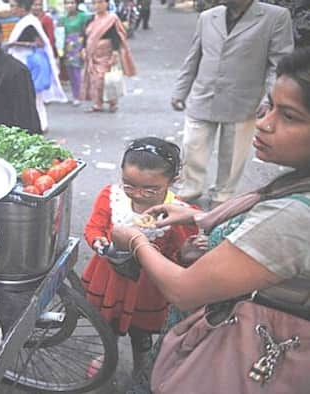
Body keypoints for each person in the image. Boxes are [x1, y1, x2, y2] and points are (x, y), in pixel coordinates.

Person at [115, 48, 310, 393]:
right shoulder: (298, 184)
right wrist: (196, 216)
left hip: (235, 355)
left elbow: (183, 290)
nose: (264, 121)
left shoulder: (295, 217)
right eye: (271, 105)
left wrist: (135, 240)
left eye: (290, 116)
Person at [82, 137, 199, 378]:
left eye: (150, 189)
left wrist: (185, 252)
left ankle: (142, 366)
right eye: (129, 185)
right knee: (109, 322)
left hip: (148, 285)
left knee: (141, 330)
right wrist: (98, 241)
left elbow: (181, 253)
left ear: (172, 181)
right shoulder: (111, 197)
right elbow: (94, 227)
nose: (138, 195)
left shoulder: (178, 212)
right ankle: (108, 352)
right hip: (111, 275)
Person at [171, 0, 293, 207]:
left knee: (233, 153)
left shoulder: (275, 17)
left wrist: (270, 99)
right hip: (203, 94)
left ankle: (223, 194)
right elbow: (193, 57)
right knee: (192, 145)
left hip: (244, 99)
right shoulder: (208, 17)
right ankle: (190, 188)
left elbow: (278, 63)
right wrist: (180, 91)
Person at [7, 0, 67, 133]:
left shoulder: (29, 23)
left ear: (22, 7)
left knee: (35, 96)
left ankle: (41, 124)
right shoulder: (25, 21)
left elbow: (39, 43)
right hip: (25, 63)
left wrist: (14, 44)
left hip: (29, 63)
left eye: (13, 6)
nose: (11, 9)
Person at [80, 0, 136, 113]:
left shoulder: (111, 19)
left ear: (106, 4)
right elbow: (85, 35)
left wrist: (115, 52)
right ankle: (97, 103)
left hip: (106, 52)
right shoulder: (90, 19)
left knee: (105, 78)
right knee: (94, 78)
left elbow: (116, 36)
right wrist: (83, 48)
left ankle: (112, 102)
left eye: (100, 2)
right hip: (92, 52)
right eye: (95, 3)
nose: (97, 5)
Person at [60, 0, 90, 105]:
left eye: (72, 3)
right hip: (67, 46)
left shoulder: (83, 16)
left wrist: (84, 47)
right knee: (70, 71)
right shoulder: (63, 19)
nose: (70, 5)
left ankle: (80, 95)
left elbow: (87, 32)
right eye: (67, 3)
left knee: (77, 70)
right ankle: (74, 94)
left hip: (79, 45)